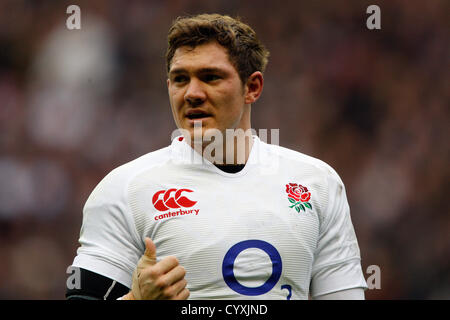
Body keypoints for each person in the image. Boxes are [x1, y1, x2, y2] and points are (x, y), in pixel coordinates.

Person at [66, 13, 368, 300]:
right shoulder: (124, 189)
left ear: (252, 87)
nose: (192, 93)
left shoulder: (317, 183)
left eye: (210, 77)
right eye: (180, 79)